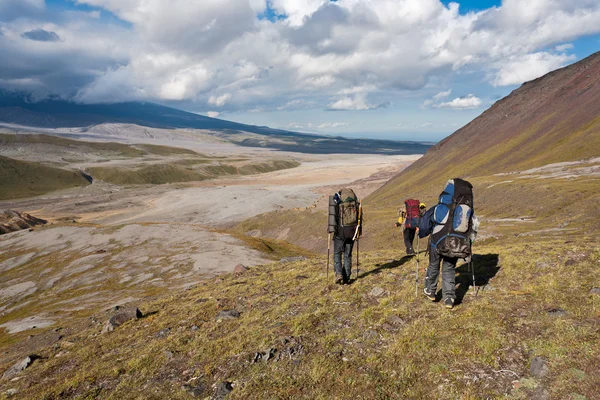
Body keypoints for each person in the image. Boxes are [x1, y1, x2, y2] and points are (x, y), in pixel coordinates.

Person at [418, 178, 474, 309]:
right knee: (449, 268)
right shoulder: (466, 209)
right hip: (456, 244)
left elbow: (426, 224)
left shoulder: (440, 207)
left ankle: (430, 290)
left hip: (437, 242)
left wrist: (421, 234)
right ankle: (449, 297)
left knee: (433, 265)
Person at [332, 188, 362, 284]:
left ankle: (339, 273)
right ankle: (347, 277)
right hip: (352, 232)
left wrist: (331, 229)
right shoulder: (356, 203)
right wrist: (358, 232)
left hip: (340, 232)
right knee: (347, 255)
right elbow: (360, 218)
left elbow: (333, 216)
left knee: (337, 253)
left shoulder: (338, 201)